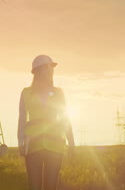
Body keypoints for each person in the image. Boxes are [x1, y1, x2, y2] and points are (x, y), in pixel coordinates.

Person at [18, 55, 75, 190]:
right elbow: (22, 119)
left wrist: (71, 143)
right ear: (37, 71)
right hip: (33, 145)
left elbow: (65, 118)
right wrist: (20, 142)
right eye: (47, 68)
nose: (51, 71)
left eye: (51, 68)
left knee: (51, 187)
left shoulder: (58, 93)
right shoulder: (26, 93)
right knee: (34, 187)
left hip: (55, 145)